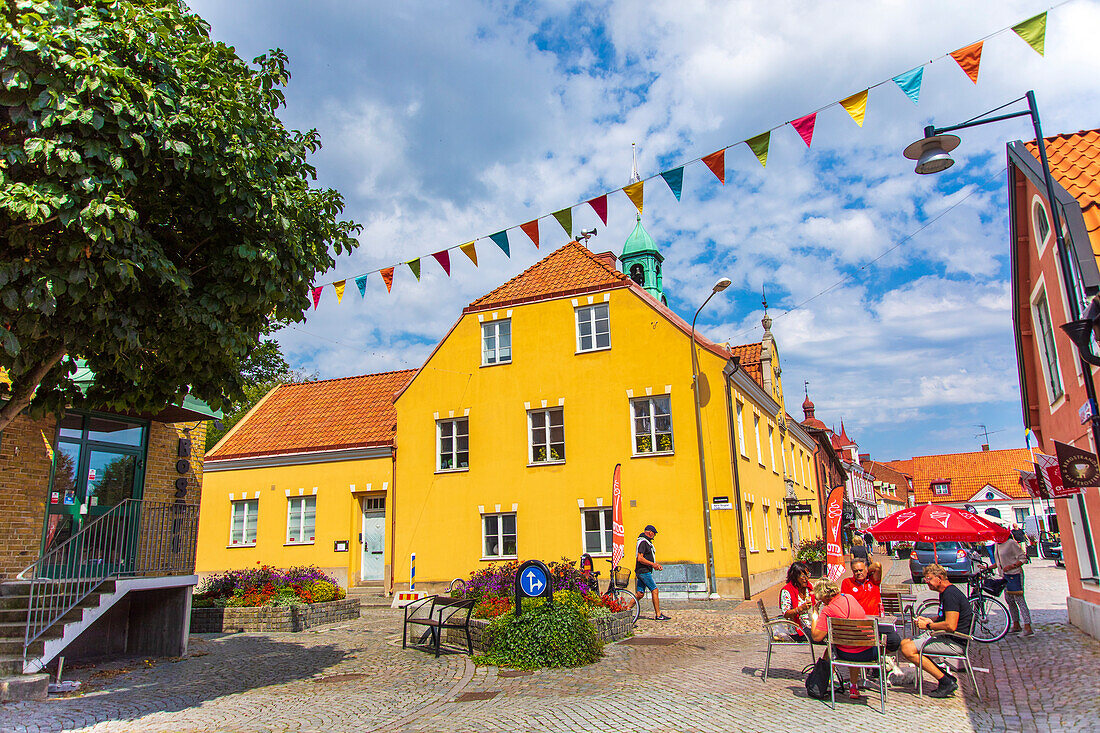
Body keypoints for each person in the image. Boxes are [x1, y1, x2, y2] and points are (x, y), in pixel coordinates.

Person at [898, 564, 974, 698]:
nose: (926, 582)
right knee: (904, 643)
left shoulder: (950, 595)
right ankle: (945, 678)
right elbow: (943, 617)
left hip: (954, 642)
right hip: (948, 637)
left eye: (928, 579)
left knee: (908, 649)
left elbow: (950, 625)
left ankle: (945, 681)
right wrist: (929, 619)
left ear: (939, 578)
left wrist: (928, 626)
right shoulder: (946, 592)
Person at [811, 580, 874, 700]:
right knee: (854, 644)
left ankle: (823, 683)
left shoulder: (828, 609)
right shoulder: (850, 597)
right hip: (868, 653)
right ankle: (853, 686)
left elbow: (816, 636)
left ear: (824, 596)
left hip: (845, 655)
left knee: (831, 649)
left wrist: (815, 615)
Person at [841, 558, 900, 653]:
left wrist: (867, 572)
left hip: (876, 623)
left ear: (867, 569)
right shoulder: (847, 582)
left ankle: (877, 656)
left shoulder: (873, 581)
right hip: (858, 625)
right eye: (855, 571)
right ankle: (871, 659)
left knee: (894, 641)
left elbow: (877, 565)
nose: (858, 573)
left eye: (861, 570)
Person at [995, 535, 1034, 635]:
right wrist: (988, 567)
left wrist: (1012, 566)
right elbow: (999, 562)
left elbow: (1023, 558)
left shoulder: (1011, 543)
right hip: (1005, 576)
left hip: (1015, 574)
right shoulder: (997, 545)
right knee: (1009, 600)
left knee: (1019, 599)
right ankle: (1016, 624)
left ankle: (1027, 625)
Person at [635, 524, 669, 621]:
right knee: (654, 590)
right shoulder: (643, 543)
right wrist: (653, 564)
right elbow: (640, 558)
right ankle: (658, 615)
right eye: (654, 534)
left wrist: (655, 565)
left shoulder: (646, 543)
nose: (654, 536)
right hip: (643, 571)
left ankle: (626, 608)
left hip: (644, 570)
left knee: (640, 594)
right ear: (650, 532)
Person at [779, 562, 815, 641]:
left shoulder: (809, 588)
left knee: (830, 634)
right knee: (823, 638)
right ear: (795, 576)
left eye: (808, 575)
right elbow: (786, 614)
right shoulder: (787, 591)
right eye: (803, 576)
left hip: (811, 626)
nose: (806, 578)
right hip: (798, 630)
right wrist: (800, 609)